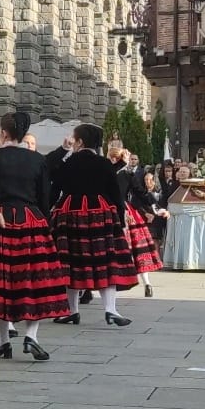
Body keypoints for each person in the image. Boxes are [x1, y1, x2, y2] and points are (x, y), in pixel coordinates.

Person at [0, 112, 69, 360]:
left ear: (3, 132)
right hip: (31, 219)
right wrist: (44, 221)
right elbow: (45, 196)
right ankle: (31, 337)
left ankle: (3, 341)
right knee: (34, 280)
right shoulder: (37, 160)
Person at [49, 124, 138, 326]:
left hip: (70, 212)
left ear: (79, 141)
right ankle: (110, 309)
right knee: (105, 261)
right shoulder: (104, 163)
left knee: (71, 263)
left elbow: (54, 189)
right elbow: (115, 193)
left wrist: (46, 210)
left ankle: (71, 311)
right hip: (101, 213)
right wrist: (121, 215)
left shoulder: (67, 164)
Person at [110, 140, 163, 297]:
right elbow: (140, 193)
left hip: (115, 210)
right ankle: (146, 283)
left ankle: (145, 283)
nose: (113, 160)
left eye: (113, 157)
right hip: (123, 209)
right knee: (136, 248)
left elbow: (140, 193)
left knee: (130, 248)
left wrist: (156, 207)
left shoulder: (121, 173)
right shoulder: (125, 173)